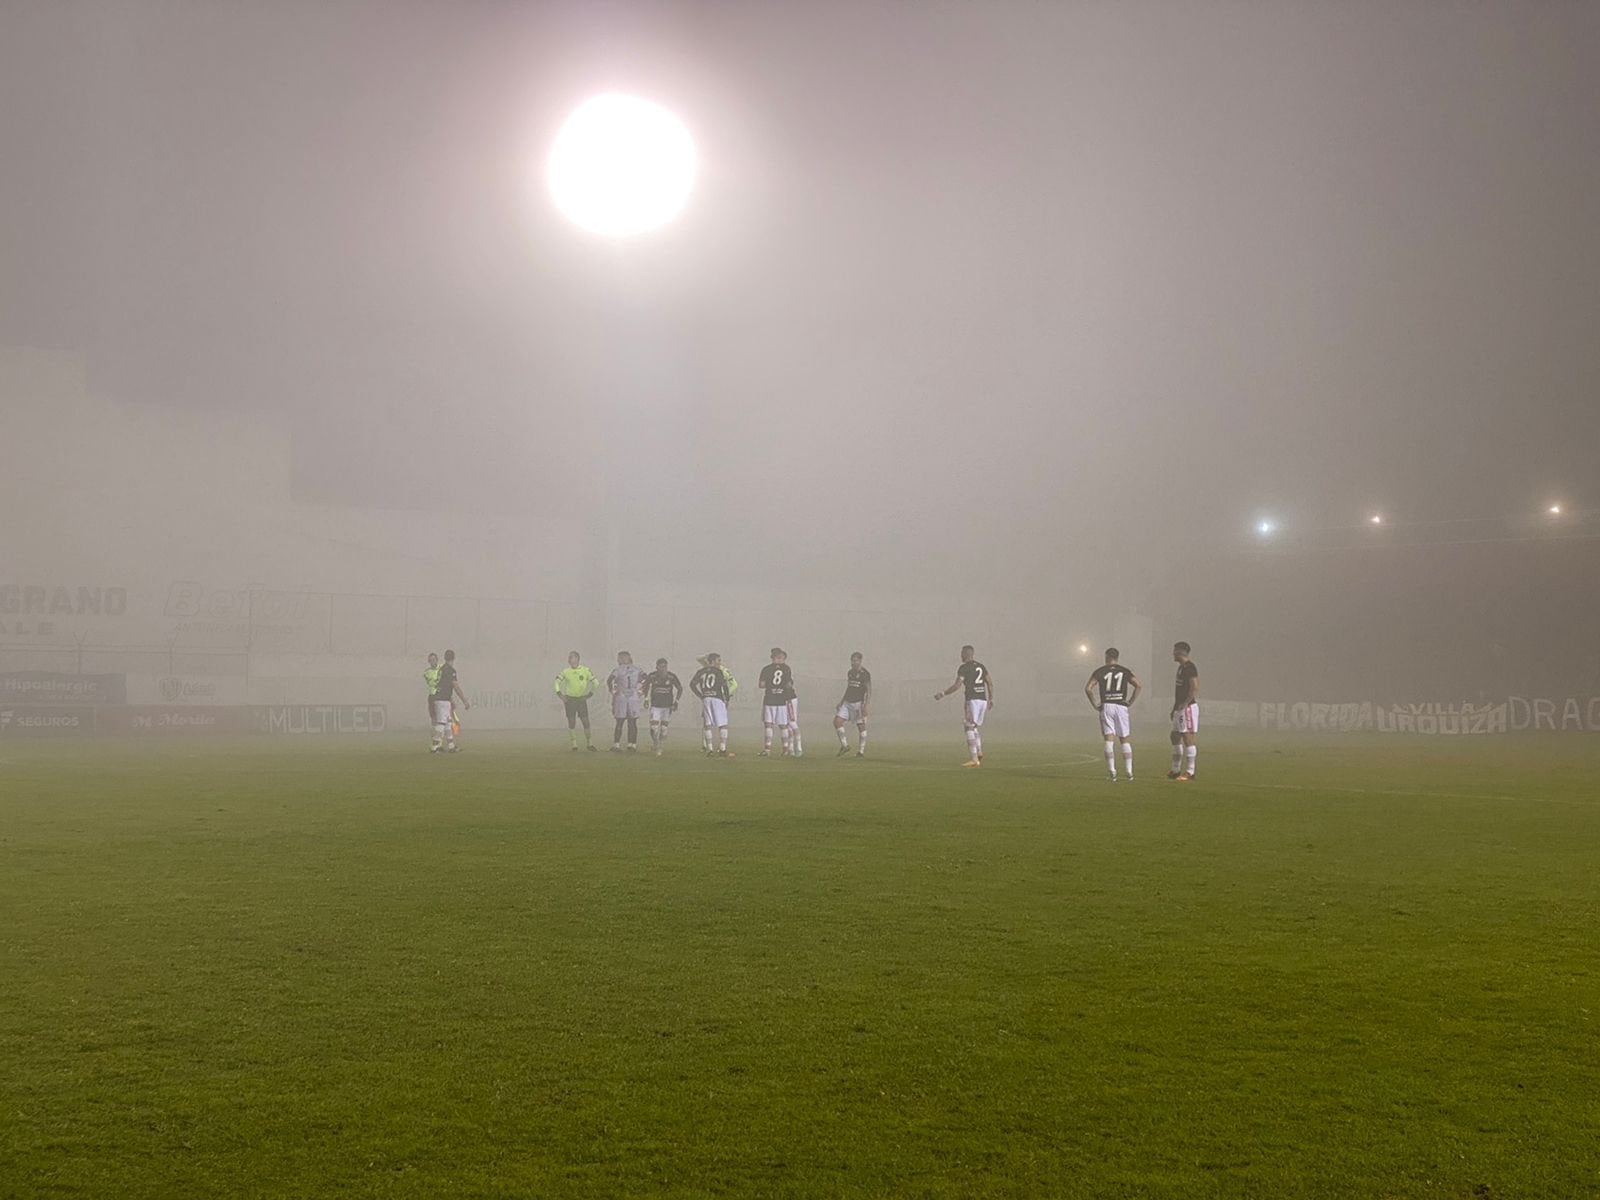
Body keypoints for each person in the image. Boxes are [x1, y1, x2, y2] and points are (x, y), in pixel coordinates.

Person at [1085, 647, 1141, 782]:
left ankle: (1112, 771)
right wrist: (1130, 701)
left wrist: (1095, 704)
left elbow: (1088, 688)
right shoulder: (1125, 671)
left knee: (1109, 739)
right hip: (1121, 705)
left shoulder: (1100, 671)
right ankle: (1129, 771)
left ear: (1106, 657)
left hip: (1107, 705)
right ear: (1117, 657)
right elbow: (1138, 685)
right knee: (1124, 739)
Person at [934, 645, 993, 767]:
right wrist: (991, 698)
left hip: (972, 700)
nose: (960, 656)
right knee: (974, 726)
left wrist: (943, 693)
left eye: (962, 653)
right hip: (983, 700)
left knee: (968, 727)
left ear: (966, 654)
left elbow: (957, 685)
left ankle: (974, 759)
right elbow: (990, 683)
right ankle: (979, 751)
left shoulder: (964, 668)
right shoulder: (981, 666)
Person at [757, 647, 801, 757]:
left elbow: (761, 685)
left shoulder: (766, 669)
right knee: (783, 725)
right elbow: (788, 685)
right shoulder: (786, 668)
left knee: (768, 724)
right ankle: (786, 749)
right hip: (782, 699)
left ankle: (767, 750)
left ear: (772, 658)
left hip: (769, 699)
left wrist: (771, 686)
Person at [690, 652, 736, 757]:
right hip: (717, 699)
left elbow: (692, 684)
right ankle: (723, 750)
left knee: (708, 725)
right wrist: (727, 699)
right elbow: (724, 686)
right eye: (718, 660)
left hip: (706, 698)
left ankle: (710, 750)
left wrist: (700, 695)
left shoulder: (701, 671)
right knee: (723, 724)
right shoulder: (718, 671)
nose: (720, 663)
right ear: (712, 661)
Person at [554, 650, 599, 752]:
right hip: (570, 700)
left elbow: (596, 682)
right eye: (569, 657)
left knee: (585, 721)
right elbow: (556, 682)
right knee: (571, 721)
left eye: (571, 657)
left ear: (577, 659)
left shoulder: (585, 670)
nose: (569, 659)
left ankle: (590, 743)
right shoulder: (565, 671)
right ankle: (574, 744)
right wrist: (560, 694)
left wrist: (590, 694)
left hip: (581, 699)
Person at [1169, 641, 1200, 780]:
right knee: (1175, 736)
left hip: (1187, 708)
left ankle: (1190, 771)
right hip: (1179, 707)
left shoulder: (1190, 667)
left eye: (1175, 650)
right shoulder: (1181, 668)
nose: (1173, 653)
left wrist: (1186, 704)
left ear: (1181, 652)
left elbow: (1194, 687)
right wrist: (1174, 708)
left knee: (1187, 737)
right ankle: (1175, 770)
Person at [430, 649, 469, 753]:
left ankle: (451, 746)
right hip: (442, 700)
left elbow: (443, 685)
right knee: (441, 723)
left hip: (440, 698)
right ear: (453, 658)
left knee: (447, 723)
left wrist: (450, 699)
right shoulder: (451, 671)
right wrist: (464, 700)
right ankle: (434, 746)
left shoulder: (441, 669)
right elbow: (455, 687)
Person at [642, 658, 683, 756]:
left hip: (667, 706)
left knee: (664, 729)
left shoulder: (671, 677)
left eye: (665, 666)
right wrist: (646, 699)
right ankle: (656, 743)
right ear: (657, 667)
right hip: (655, 706)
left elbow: (680, 688)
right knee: (654, 728)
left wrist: (676, 701)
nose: (663, 669)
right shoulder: (652, 676)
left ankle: (661, 746)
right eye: (661, 667)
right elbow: (645, 687)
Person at [607, 650, 646, 752]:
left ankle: (617, 745)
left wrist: (612, 690)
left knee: (620, 722)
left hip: (622, 697)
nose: (619, 660)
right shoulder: (637, 669)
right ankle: (632, 745)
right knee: (632, 722)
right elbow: (646, 679)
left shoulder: (618, 669)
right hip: (633, 697)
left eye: (620, 658)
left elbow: (609, 680)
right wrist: (641, 690)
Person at [834, 651, 871, 757]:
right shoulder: (850, 672)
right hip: (847, 702)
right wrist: (841, 701)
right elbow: (849, 688)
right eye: (852, 660)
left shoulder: (865, 674)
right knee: (837, 722)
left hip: (858, 704)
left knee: (861, 727)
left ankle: (861, 751)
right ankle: (845, 745)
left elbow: (869, 690)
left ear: (860, 661)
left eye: (855, 660)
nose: (853, 663)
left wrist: (866, 706)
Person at [423, 653, 441, 723]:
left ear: (437, 660)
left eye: (434, 660)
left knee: (441, 714)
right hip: (432, 695)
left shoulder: (441, 669)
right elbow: (428, 682)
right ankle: (435, 730)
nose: (432, 662)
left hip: (440, 694)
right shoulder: (427, 672)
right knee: (433, 715)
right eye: (430, 660)